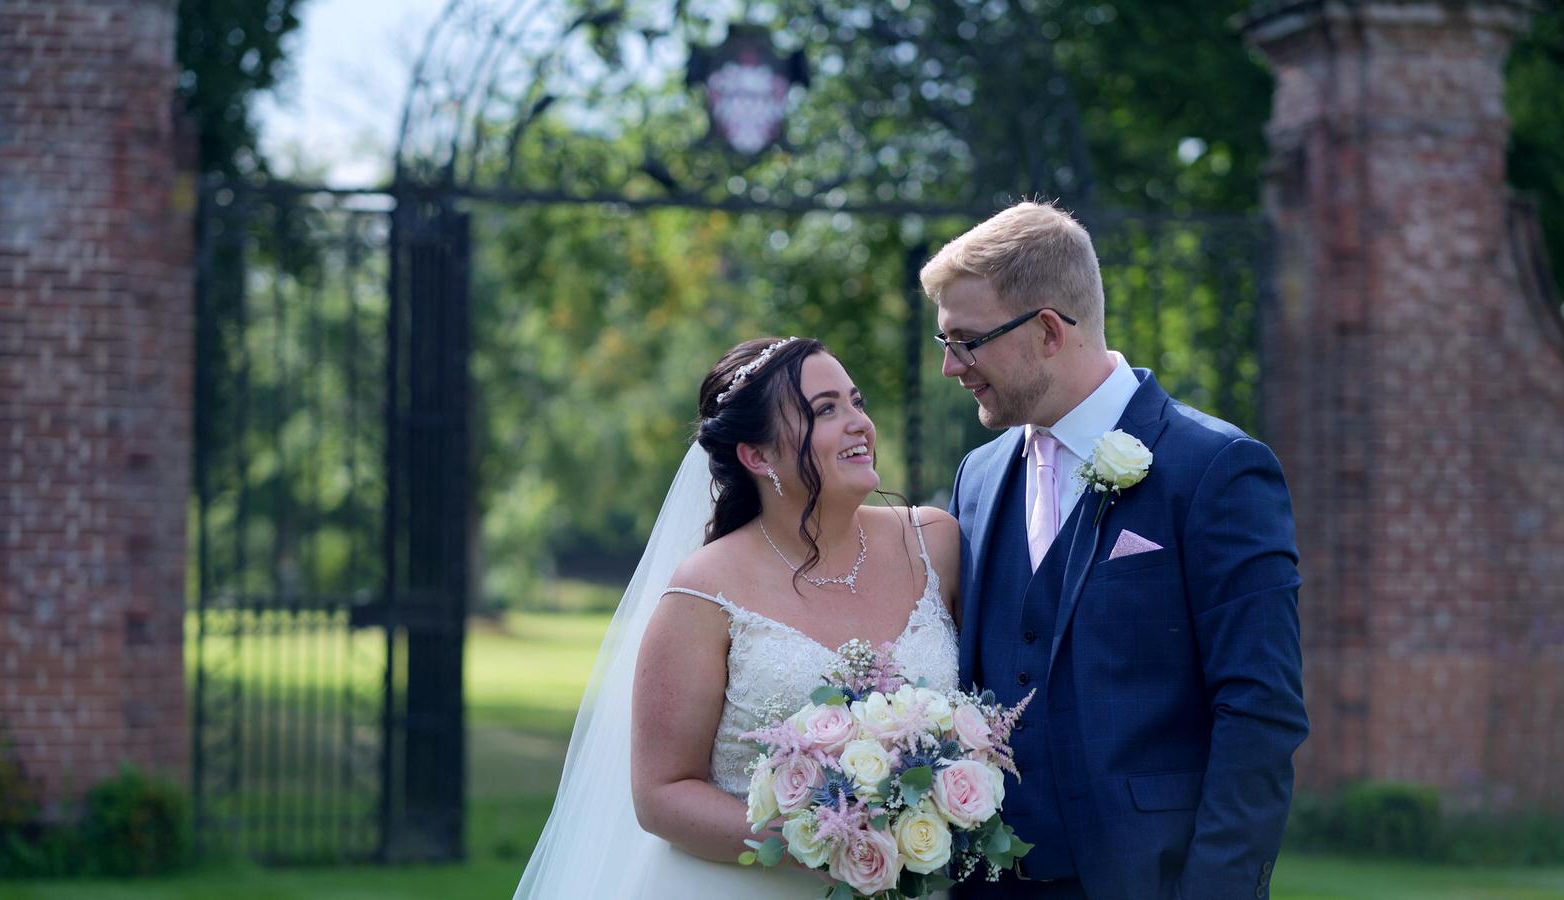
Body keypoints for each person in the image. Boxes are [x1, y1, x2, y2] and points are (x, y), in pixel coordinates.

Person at [925, 202, 1308, 900]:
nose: (951, 367)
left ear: (1047, 331)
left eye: (967, 341)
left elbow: (1261, 708)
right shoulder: (975, 478)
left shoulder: (1217, 468)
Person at [515, 336, 962, 899]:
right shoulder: (704, 593)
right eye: (825, 410)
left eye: (856, 401)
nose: (859, 424)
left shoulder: (934, 544)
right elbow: (661, 794)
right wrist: (823, 837)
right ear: (758, 456)